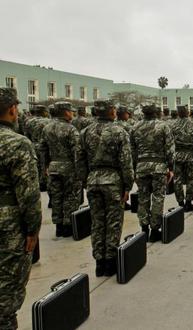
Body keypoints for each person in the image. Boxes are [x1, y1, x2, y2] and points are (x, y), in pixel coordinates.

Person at [0, 88, 42, 330]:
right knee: (7, 295)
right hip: (8, 224)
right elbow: (28, 195)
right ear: (12, 109)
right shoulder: (16, 143)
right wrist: (32, 230)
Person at [78, 100, 133, 276]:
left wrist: (85, 180)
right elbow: (126, 161)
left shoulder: (85, 132)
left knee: (97, 221)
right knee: (114, 221)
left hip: (93, 180)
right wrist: (128, 185)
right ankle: (110, 261)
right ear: (111, 112)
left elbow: (79, 160)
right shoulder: (119, 132)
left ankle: (99, 262)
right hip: (113, 181)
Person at [131, 104, 175, 242]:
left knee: (143, 198)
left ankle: (144, 229)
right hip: (159, 167)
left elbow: (132, 151)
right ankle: (155, 230)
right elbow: (169, 149)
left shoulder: (134, 127)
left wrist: (134, 168)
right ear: (156, 113)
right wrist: (170, 168)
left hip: (141, 167)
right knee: (158, 198)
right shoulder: (163, 127)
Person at [39, 101, 81, 238]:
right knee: (70, 196)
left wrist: (45, 166)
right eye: (71, 111)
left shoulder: (47, 128)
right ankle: (68, 226)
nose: (72, 113)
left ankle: (58, 225)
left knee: (56, 197)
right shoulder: (70, 129)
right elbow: (77, 151)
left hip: (53, 166)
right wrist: (80, 169)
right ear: (65, 112)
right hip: (69, 167)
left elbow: (43, 148)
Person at [169, 105, 193, 211]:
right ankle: (188, 202)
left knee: (177, 180)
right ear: (187, 113)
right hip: (190, 155)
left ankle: (180, 203)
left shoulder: (172, 125)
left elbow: (169, 143)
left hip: (177, 155)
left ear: (178, 113)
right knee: (191, 179)